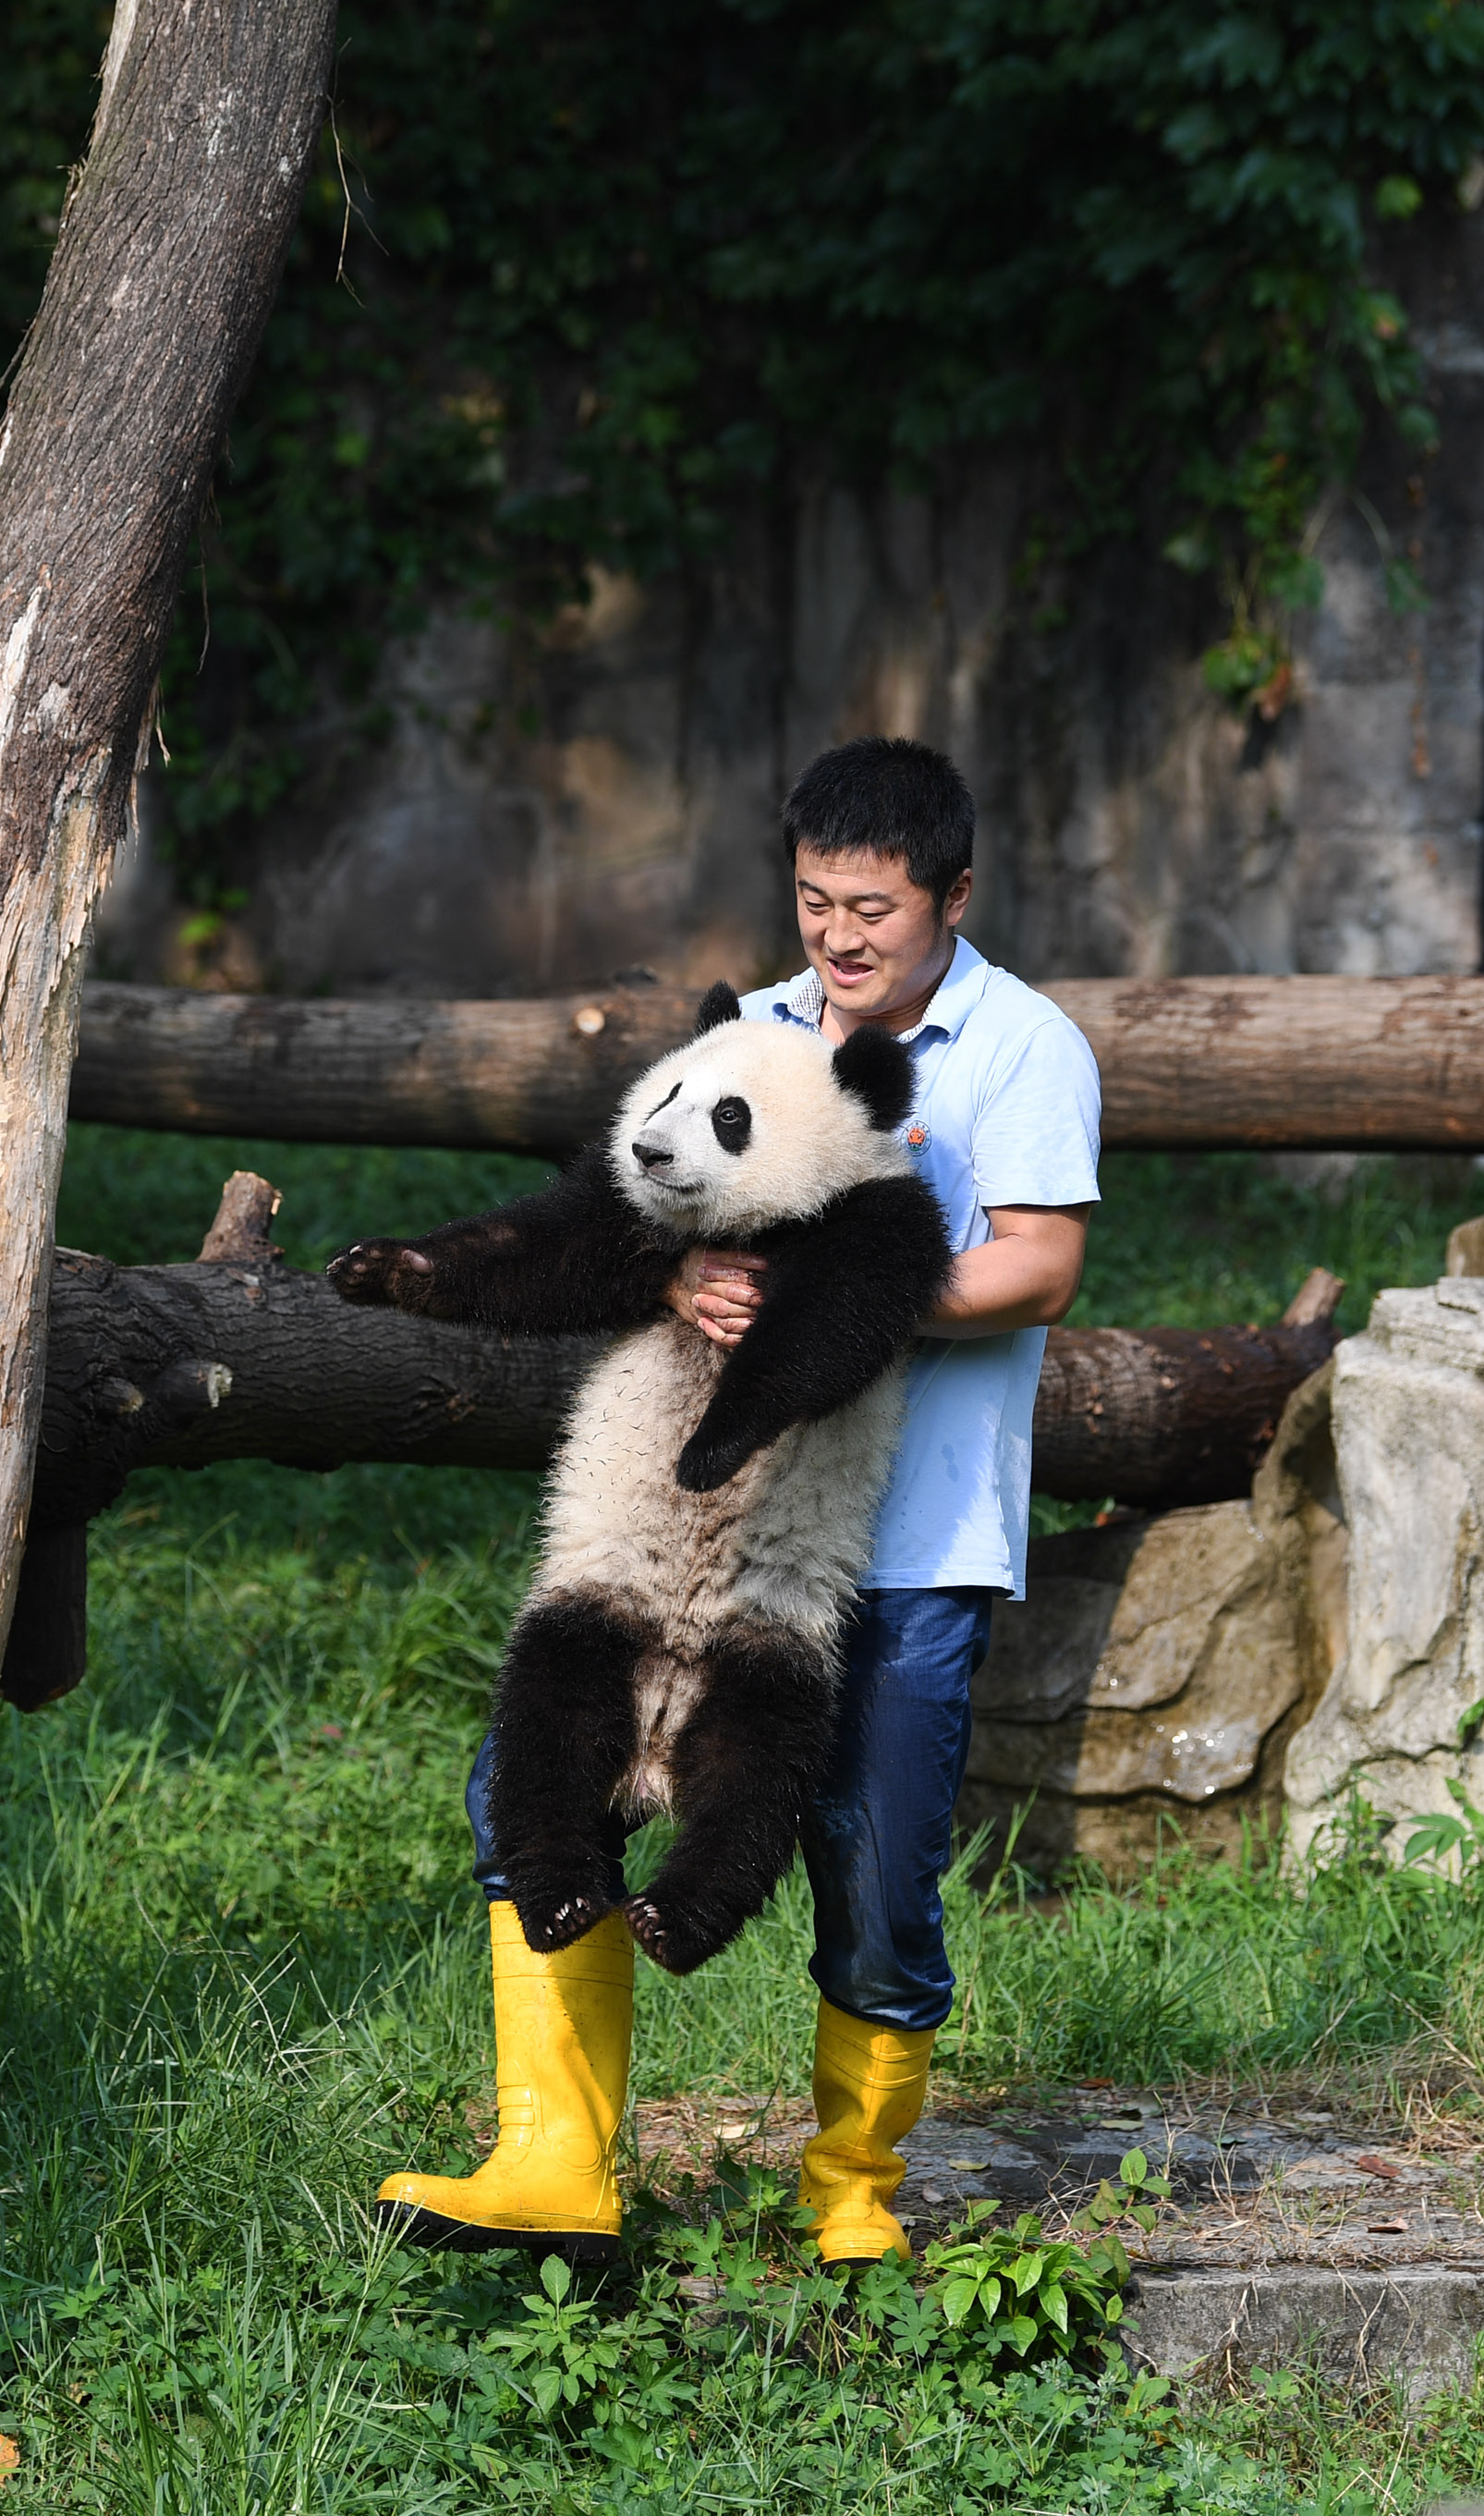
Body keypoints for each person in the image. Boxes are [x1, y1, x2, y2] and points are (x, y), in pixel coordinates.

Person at [378, 736, 1102, 2264]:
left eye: (875, 907)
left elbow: (1039, 1260)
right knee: (529, 1782)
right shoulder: (757, 1034)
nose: (838, 935)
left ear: (953, 897)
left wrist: (827, 1304)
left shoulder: (1027, 1045)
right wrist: (684, 1267)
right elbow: (631, 1209)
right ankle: (552, 2162)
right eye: (813, 899)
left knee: (876, 1854)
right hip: (670, 1530)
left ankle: (851, 2188)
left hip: (903, 1536)